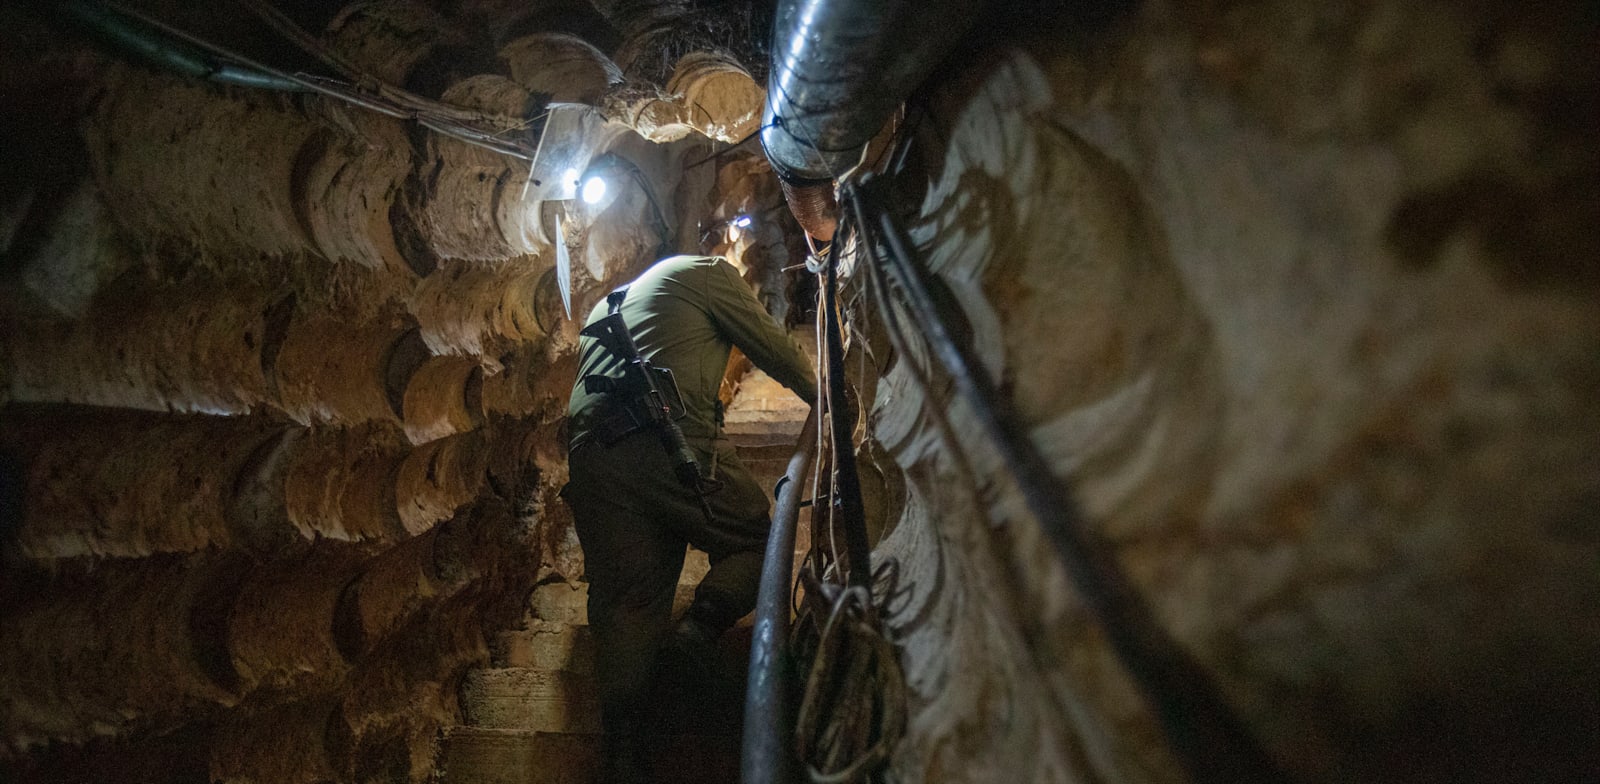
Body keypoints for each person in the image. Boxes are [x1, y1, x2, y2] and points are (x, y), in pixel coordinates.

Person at [561, 254, 816, 782]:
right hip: (669, 436)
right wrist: (832, 397)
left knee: (628, 602)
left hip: (592, 459)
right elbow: (772, 346)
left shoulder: (605, 306)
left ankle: (625, 748)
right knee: (756, 544)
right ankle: (694, 638)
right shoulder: (710, 271)